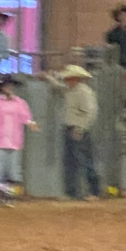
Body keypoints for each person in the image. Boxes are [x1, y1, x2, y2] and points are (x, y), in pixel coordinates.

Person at [43, 65, 100, 201]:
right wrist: (49, 78)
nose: (66, 80)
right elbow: (59, 87)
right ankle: (71, 192)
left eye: (68, 78)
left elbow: (90, 113)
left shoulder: (84, 92)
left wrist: (80, 128)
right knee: (70, 162)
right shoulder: (71, 90)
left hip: (78, 129)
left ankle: (93, 192)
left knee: (85, 161)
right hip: (70, 128)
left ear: (75, 78)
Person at [0, 74, 39, 207]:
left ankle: (9, 197)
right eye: (7, 85)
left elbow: (26, 117)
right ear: (2, 87)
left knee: (13, 170)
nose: (9, 87)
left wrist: (32, 123)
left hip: (14, 141)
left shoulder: (20, 102)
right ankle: (1, 196)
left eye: (11, 85)